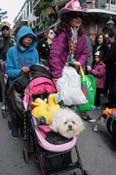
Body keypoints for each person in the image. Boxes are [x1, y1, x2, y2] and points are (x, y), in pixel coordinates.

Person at [48, 0, 92, 121]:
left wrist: (79, 63)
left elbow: (84, 52)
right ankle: (59, 130)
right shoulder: (62, 34)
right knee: (61, 102)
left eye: (80, 16)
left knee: (72, 102)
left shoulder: (81, 35)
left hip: (73, 72)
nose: (78, 19)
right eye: (75, 16)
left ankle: (69, 131)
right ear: (68, 18)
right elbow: (54, 55)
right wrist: (57, 75)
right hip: (60, 72)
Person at [5, 25, 39, 138]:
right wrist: (20, 71)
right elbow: (9, 71)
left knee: (29, 110)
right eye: (26, 37)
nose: (29, 39)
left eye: (31, 37)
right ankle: (15, 127)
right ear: (20, 37)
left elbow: (36, 67)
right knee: (15, 111)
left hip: (30, 86)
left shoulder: (35, 52)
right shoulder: (11, 51)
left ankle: (26, 127)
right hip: (15, 86)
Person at [0, 21, 15, 106]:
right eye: (3, 29)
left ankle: (12, 102)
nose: (5, 31)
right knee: (3, 85)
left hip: (12, 66)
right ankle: (5, 103)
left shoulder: (14, 40)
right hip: (2, 67)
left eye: (7, 29)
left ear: (10, 29)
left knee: (12, 84)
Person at [104, 30, 116, 108]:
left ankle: (112, 104)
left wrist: (105, 61)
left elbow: (110, 56)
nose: (108, 40)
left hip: (112, 68)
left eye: (109, 38)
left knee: (112, 86)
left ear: (112, 37)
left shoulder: (114, 44)